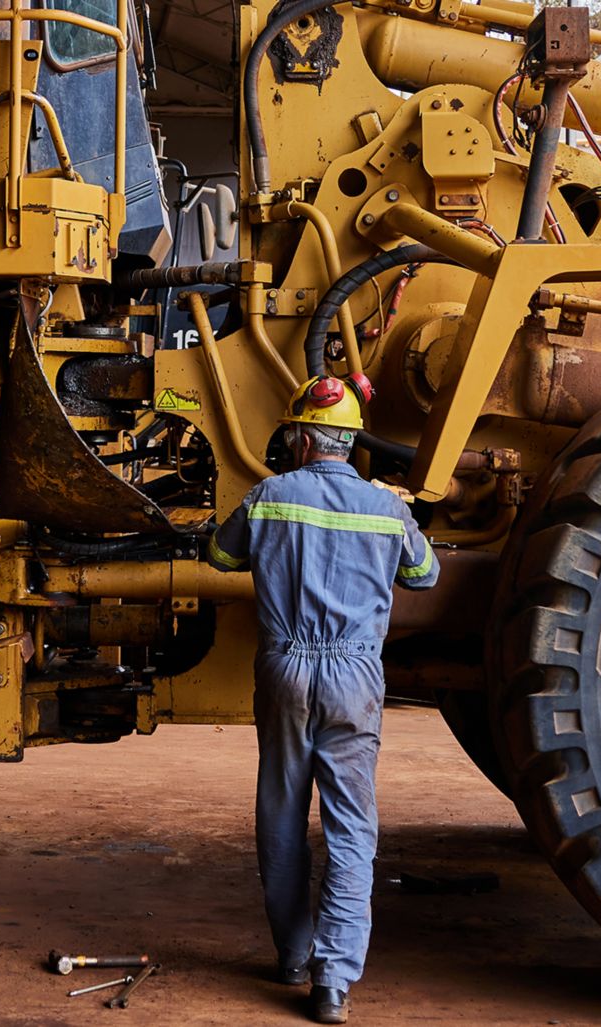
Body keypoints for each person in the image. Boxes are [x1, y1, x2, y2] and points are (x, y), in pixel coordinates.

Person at [207, 375, 436, 1025]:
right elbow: (425, 575)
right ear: (350, 442)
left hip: (285, 666)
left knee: (281, 811)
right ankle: (332, 981)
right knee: (351, 826)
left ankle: (292, 954)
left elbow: (219, 555)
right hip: (354, 674)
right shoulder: (385, 507)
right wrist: (397, 516)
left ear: (304, 440)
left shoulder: (270, 496)